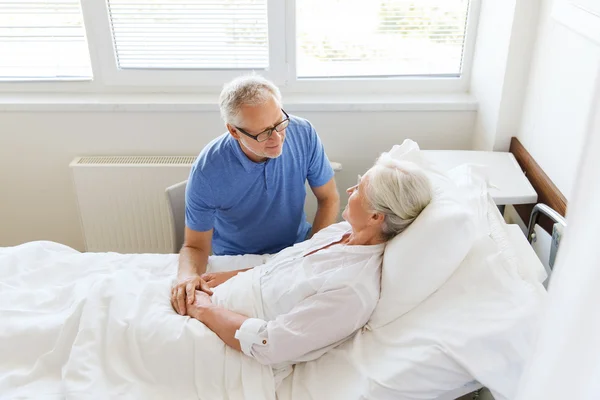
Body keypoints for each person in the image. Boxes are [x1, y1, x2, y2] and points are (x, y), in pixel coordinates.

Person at [170, 154, 433, 386]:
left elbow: (269, 344)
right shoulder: (341, 232)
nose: (351, 189)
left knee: (133, 334)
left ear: (376, 216)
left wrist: (202, 309)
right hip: (223, 299)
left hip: (231, 341)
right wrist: (234, 275)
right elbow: (284, 264)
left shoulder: (352, 290)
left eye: (360, 189)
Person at [172, 75, 340, 315]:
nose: (277, 138)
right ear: (234, 131)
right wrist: (186, 278)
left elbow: (329, 198)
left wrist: (311, 252)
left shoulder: (303, 133)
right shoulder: (208, 170)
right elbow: (195, 245)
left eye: (279, 123)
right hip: (238, 260)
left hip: (294, 250)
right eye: (262, 133)